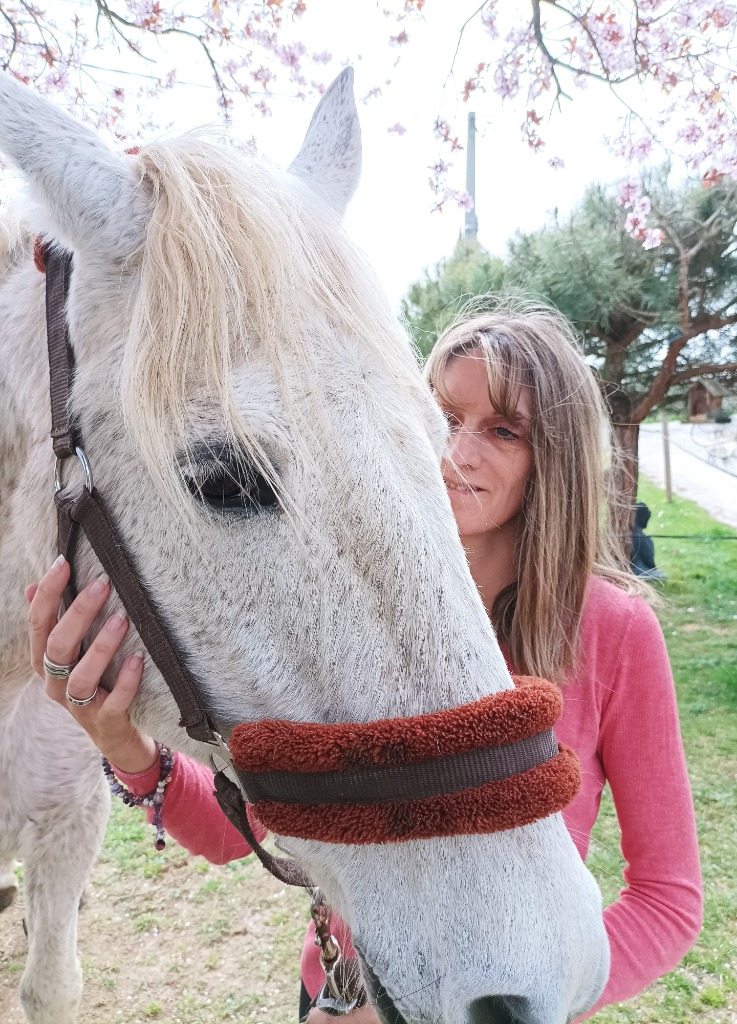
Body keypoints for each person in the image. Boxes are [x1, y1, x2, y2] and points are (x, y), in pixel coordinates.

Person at [27, 301, 702, 1022]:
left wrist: (519, 1000)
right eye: (441, 416)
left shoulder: (613, 631)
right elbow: (241, 833)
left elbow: (668, 899)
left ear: (555, 459)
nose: (454, 451)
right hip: (334, 997)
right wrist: (122, 742)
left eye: (502, 431)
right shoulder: (341, 610)